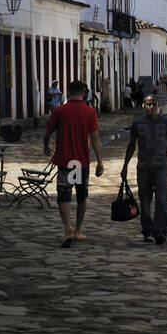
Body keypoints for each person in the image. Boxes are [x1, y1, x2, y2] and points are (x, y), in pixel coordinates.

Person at [44, 79, 104, 248]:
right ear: (84, 93)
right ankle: (77, 230)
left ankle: (67, 228)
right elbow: (95, 138)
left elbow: (48, 131)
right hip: (81, 162)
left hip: (65, 160)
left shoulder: (60, 111)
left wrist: (46, 145)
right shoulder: (90, 112)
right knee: (81, 196)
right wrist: (99, 161)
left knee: (63, 196)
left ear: (68, 93)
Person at [121, 93, 167, 244]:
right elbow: (131, 145)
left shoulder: (166, 122)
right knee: (145, 201)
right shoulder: (137, 123)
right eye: (148, 104)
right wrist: (125, 166)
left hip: (161, 167)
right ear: (144, 105)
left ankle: (161, 232)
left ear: (158, 105)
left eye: (154, 104)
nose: (151, 107)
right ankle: (148, 231)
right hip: (143, 168)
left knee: (162, 200)